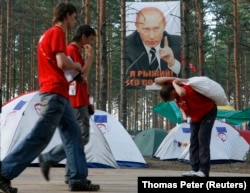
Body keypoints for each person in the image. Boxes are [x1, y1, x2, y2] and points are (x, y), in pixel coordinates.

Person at [0, 3, 100, 193]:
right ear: (68, 15)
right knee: (39, 137)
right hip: (54, 93)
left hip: (59, 94)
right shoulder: (57, 33)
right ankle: (4, 172)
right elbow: (62, 63)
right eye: (74, 17)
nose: (74, 22)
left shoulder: (47, 35)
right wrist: (78, 66)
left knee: (75, 136)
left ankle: (77, 179)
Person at [38, 24, 96, 184]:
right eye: (90, 40)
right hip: (76, 101)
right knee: (79, 138)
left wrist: (88, 99)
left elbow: (80, 80)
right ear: (83, 37)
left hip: (80, 99)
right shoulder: (71, 50)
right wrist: (90, 57)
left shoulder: (74, 51)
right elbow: (82, 75)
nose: (91, 44)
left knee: (76, 137)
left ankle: (71, 174)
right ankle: (51, 158)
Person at [156, 77, 217, 177]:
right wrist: (174, 79)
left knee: (202, 139)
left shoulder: (182, 88)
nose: (171, 100)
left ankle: (204, 171)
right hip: (195, 117)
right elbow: (157, 80)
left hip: (208, 112)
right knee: (193, 141)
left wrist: (175, 83)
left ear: (173, 91)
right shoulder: (173, 85)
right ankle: (195, 169)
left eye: (170, 97)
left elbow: (182, 93)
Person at [125, 6, 181, 89]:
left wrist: (173, 63)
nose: (152, 36)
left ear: (164, 26)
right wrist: (155, 86)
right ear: (137, 27)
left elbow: (188, 77)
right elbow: (126, 79)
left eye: (156, 29)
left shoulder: (178, 43)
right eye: (146, 29)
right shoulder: (127, 44)